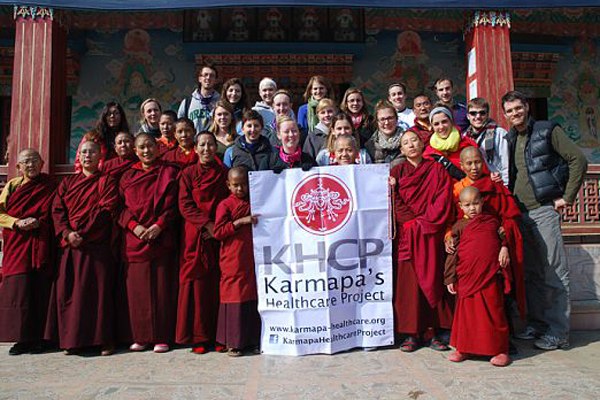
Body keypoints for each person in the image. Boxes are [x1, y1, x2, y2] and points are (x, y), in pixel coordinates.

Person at [502, 90, 587, 350]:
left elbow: (578, 159)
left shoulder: (547, 130)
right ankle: (538, 324)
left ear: (526, 107)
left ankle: (558, 331)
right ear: (505, 114)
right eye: (509, 111)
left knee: (553, 272)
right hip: (520, 213)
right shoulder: (510, 138)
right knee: (531, 273)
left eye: (518, 108)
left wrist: (567, 197)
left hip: (543, 210)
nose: (515, 114)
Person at [49, 141, 119, 356]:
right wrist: (67, 233)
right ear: (78, 156)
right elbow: (57, 210)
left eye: (92, 152)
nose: (88, 155)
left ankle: (101, 341)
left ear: (100, 157)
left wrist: (85, 233)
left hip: (95, 246)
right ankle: (73, 340)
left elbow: (107, 209)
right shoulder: (68, 183)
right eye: (84, 152)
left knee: (98, 294)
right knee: (71, 293)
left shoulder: (106, 181)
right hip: (72, 245)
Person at [391, 130, 454, 352]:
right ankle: (410, 333)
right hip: (408, 234)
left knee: (433, 280)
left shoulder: (436, 169)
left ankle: (433, 331)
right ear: (401, 149)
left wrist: (425, 223)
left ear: (422, 143)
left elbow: (443, 198)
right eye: (405, 143)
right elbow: (393, 200)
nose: (411, 145)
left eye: (414, 140)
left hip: (429, 234)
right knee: (408, 286)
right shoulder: (396, 172)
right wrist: (412, 222)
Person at [448, 146, 526, 322]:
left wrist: (505, 245)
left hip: (493, 253)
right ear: (461, 166)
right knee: (469, 300)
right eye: (469, 163)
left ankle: (504, 339)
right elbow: (451, 221)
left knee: (497, 298)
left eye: (478, 162)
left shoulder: (493, 185)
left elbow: (509, 218)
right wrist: (448, 237)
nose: (474, 167)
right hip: (468, 257)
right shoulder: (457, 189)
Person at [118, 133, 180, 353]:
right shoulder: (127, 176)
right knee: (138, 291)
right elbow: (120, 208)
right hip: (135, 239)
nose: (146, 151)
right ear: (135, 151)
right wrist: (134, 226)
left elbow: (174, 205)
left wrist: (159, 226)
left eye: (150, 146)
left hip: (161, 237)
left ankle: (162, 337)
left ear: (158, 147)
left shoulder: (170, 172)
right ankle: (141, 336)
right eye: (141, 148)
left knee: (162, 288)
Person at [444, 186, 511, 367]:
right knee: (466, 314)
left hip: (489, 275)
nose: (472, 208)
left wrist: (504, 247)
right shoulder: (458, 227)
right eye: (467, 205)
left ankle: (499, 350)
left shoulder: (491, 221)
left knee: (493, 312)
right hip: (467, 276)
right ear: (461, 206)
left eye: (475, 203)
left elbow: (504, 236)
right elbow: (452, 253)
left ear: (482, 202)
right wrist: (449, 277)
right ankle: (463, 348)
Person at [177, 131, 229, 354]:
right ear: (195, 149)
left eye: (210, 144)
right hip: (196, 234)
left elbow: (230, 200)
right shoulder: (187, 174)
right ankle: (199, 336)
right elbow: (185, 204)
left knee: (219, 287)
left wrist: (217, 227)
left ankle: (220, 335)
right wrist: (206, 225)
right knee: (197, 287)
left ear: (216, 148)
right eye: (202, 145)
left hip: (219, 235)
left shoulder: (224, 173)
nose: (206, 149)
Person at [0, 149, 56, 355]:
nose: (30, 165)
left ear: (42, 163)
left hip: (41, 242)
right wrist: (16, 222)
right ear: (18, 167)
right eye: (26, 162)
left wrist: (40, 222)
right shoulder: (13, 186)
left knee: (41, 289)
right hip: (18, 242)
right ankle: (22, 339)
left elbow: (55, 210)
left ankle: (44, 337)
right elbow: (0, 212)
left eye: (34, 161)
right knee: (19, 289)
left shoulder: (50, 185)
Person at [213, 167, 261, 356]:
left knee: (251, 295)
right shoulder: (225, 205)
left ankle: (251, 340)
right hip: (232, 257)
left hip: (251, 255)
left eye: (243, 185)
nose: (240, 189)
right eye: (235, 185)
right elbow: (217, 232)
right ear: (228, 185)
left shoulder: (255, 202)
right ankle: (233, 342)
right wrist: (240, 222)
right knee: (234, 296)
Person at [423, 106, 478, 181]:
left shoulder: (468, 144)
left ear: (451, 122)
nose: (441, 127)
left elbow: (482, 171)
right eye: (436, 124)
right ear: (432, 127)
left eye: (444, 122)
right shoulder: (428, 153)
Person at [464, 97, 509, 186]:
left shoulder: (499, 133)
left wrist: (505, 186)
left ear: (487, 114)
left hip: (496, 184)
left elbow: (506, 164)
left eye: (482, 113)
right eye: (473, 113)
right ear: (468, 116)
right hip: (474, 186)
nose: (478, 117)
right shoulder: (465, 136)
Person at [178, 63, 220, 135]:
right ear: (200, 79)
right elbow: (179, 126)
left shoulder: (221, 102)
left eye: (212, 76)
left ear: (216, 80)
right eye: (205, 75)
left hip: (213, 143)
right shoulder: (187, 103)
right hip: (193, 143)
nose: (208, 78)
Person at [365, 100, 405, 168]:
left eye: (390, 118)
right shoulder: (370, 145)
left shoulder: (407, 141)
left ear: (396, 118)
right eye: (382, 119)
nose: (386, 122)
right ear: (377, 121)